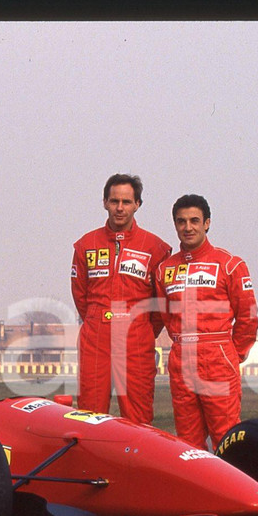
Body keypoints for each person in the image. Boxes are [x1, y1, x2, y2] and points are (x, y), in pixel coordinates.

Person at [154, 194, 258, 449]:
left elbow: (248, 317)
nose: (188, 227)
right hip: (181, 358)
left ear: (207, 223)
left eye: (194, 221)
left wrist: (233, 354)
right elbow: (166, 315)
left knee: (226, 434)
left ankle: (230, 488)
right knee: (187, 440)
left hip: (218, 357)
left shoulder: (230, 264)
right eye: (181, 222)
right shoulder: (164, 269)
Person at [70, 174, 171, 423]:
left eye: (126, 202)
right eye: (114, 201)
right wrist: (97, 320)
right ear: (104, 202)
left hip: (136, 339)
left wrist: (144, 328)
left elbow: (161, 303)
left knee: (138, 418)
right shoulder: (86, 245)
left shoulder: (155, 247)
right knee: (89, 416)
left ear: (138, 204)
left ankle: (137, 463)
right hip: (96, 338)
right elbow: (80, 294)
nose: (119, 208)